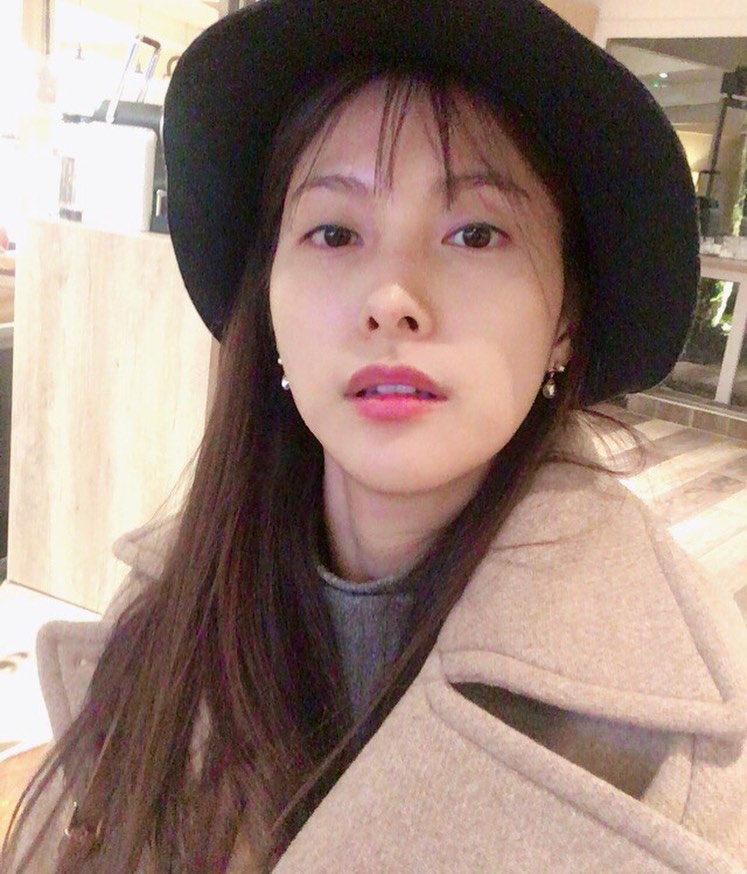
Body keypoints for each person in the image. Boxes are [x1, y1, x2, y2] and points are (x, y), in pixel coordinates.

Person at [4, 1, 747, 871]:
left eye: (474, 233)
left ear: (565, 320)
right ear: (268, 299)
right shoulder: (165, 612)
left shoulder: (685, 749)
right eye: (334, 231)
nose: (392, 296)